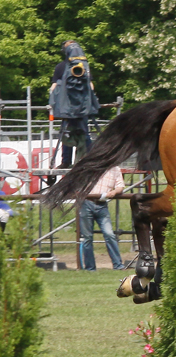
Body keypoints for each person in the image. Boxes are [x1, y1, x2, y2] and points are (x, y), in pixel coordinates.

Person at [49, 40, 96, 168]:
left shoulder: (61, 66)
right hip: (80, 108)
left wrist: (53, 101)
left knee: (67, 133)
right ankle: (87, 160)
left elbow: (53, 87)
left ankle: (67, 161)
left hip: (68, 108)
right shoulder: (84, 66)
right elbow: (90, 86)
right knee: (83, 133)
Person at [80, 166, 126, 271]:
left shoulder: (115, 169)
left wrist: (114, 192)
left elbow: (120, 186)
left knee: (109, 234)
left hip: (102, 204)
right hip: (87, 202)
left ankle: (118, 265)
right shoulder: (92, 164)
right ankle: (90, 268)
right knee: (87, 237)